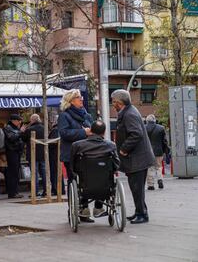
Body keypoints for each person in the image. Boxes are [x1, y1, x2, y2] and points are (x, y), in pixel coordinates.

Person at [111, 89, 155, 224]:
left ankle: (142, 214)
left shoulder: (129, 114)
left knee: (137, 188)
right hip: (137, 158)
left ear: (119, 102)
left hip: (137, 159)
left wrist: (124, 149)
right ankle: (139, 211)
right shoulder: (129, 111)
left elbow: (136, 134)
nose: (113, 104)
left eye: (114, 102)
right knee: (136, 188)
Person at [70, 120, 120, 222]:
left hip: (85, 183)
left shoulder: (77, 145)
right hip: (105, 185)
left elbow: (73, 166)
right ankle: (98, 207)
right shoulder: (110, 145)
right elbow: (116, 165)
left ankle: (84, 207)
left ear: (90, 130)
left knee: (81, 175)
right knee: (103, 177)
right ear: (104, 132)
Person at [58, 89, 92, 220]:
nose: (81, 99)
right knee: (74, 183)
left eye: (81, 97)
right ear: (71, 101)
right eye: (78, 97)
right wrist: (84, 133)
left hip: (87, 153)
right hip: (71, 155)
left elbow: (92, 130)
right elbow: (64, 133)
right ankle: (72, 211)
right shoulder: (64, 116)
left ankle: (84, 211)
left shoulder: (86, 115)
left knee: (87, 182)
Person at [22, 114, 46, 197]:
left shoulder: (29, 129)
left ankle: (35, 192)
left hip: (33, 154)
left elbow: (23, 139)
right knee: (44, 173)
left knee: (34, 173)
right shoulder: (44, 128)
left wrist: (22, 131)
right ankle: (46, 191)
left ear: (32, 120)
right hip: (43, 154)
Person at [3, 114, 25, 199]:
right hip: (12, 152)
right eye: (18, 120)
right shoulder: (8, 128)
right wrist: (21, 132)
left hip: (16, 152)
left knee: (15, 173)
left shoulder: (14, 128)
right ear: (13, 120)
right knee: (12, 173)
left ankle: (15, 191)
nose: (20, 122)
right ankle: (12, 193)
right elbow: (11, 138)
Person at [145, 114, 168, 190]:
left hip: (148, 151)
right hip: (159, 151)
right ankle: (160, 179)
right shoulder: (161, 128)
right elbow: (164, 141)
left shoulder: (144, 128)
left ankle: (151, 185)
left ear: (147, 121)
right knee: (158, 166)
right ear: (154, 120)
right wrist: (165, 150)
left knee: (150, 167)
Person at [48, 118, 65, 196]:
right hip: (57, 153)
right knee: (57, 172)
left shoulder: (55, 130)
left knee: (55, 172)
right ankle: (60, 189)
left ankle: (56, 189)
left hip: (54, 154)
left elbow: (54, 142)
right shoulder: (61, 129)